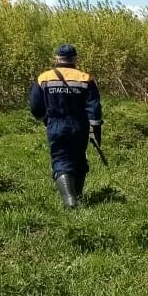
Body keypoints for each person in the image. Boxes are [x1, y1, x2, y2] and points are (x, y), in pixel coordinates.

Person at [28, 44, 103, 208]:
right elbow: (94, 107)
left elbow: (34, 104)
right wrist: (95, 129)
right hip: (79, 126)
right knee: (78, 158)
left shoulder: (44, 78)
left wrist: (44, 118)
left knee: (61, 159)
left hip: (56, 125)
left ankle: (69, 199)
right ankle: (76, 196)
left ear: (57, 59)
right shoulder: (85, 78)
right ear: (75, 59)